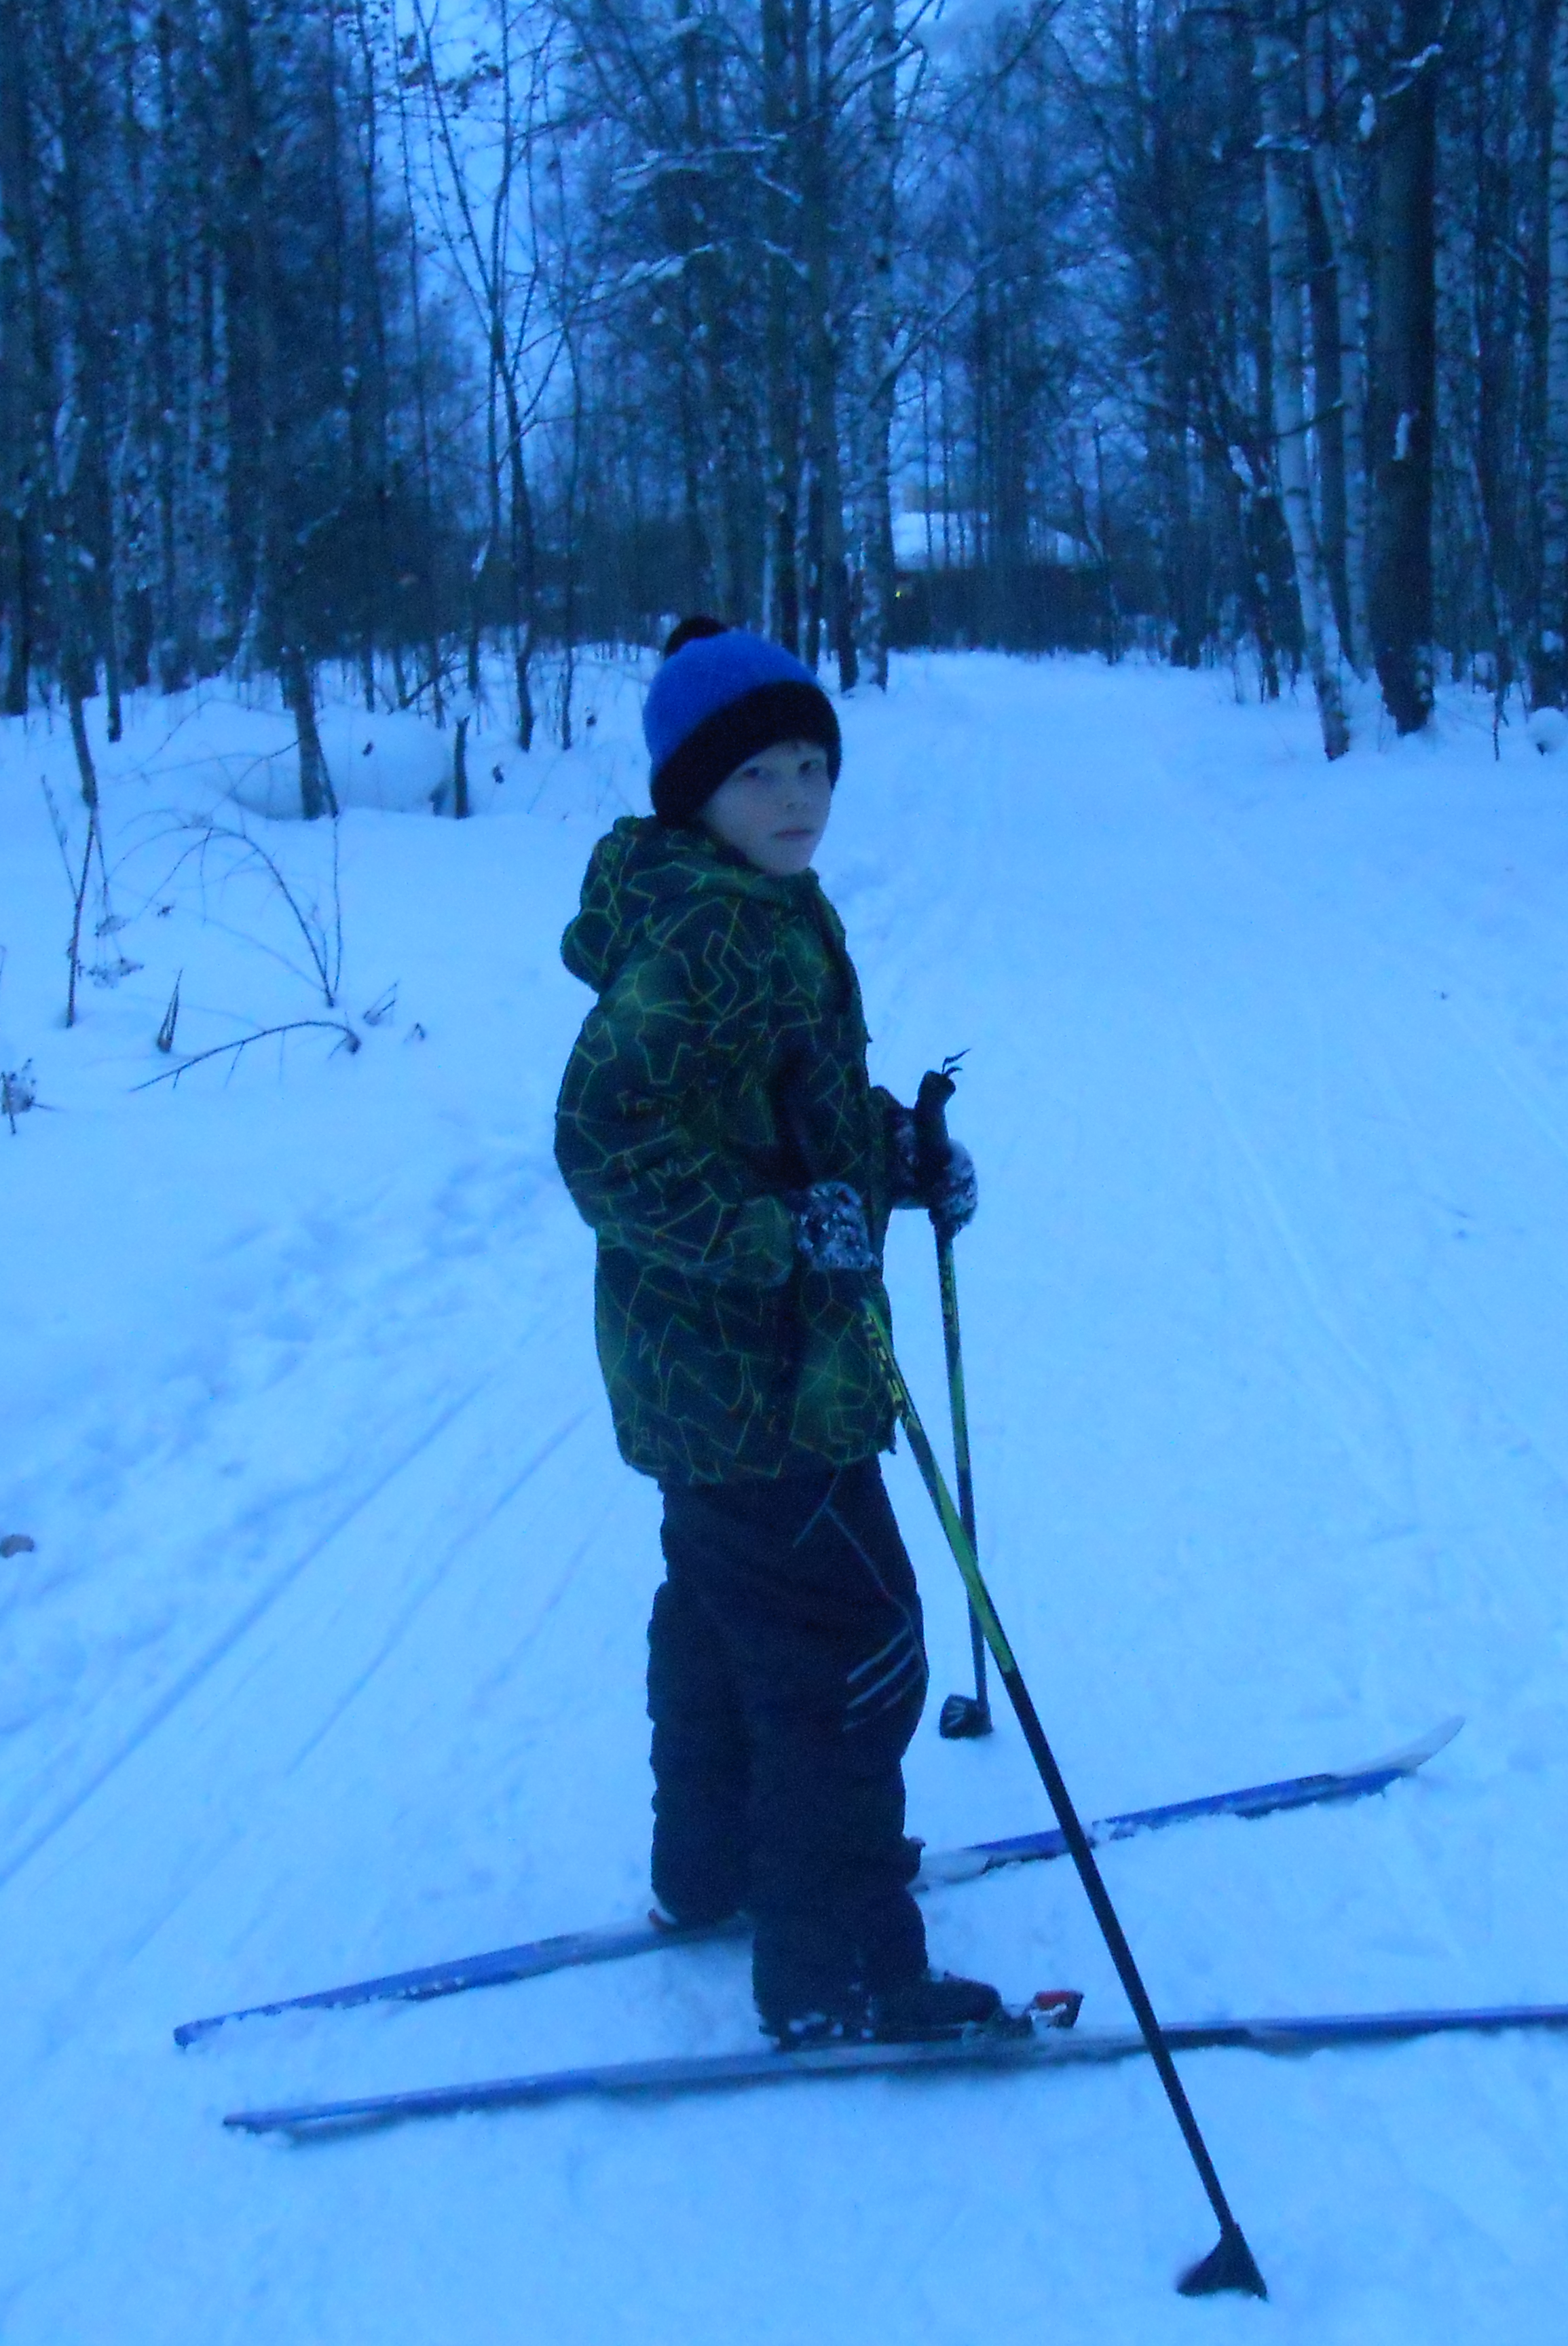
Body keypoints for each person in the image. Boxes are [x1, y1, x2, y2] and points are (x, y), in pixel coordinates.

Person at [554, 616, 996, 2047]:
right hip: (756, 1378)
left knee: (731, 1619)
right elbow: (605, 1145)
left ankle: (721, 1871)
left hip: (722, 1383)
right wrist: (776, 1238)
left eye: (814, 765)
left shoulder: (764, 908)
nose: (797, 797)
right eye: (760, 776)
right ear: (695, 792)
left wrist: (895, 1159)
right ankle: (842, 1971)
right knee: (852, 1649)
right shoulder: (708, 939)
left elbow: (789, 1111)